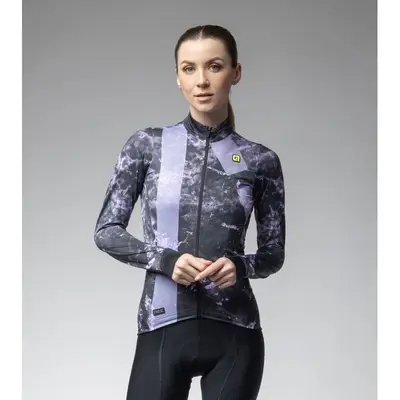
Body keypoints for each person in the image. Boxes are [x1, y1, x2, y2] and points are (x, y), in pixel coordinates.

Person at [94, 24, 286, 400]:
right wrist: (166, 260)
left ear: (236, 73)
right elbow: (106, 230)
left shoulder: (260, 161)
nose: (201, 81)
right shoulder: (147, 146)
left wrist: (240, 266)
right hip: (163, 325)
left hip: (235, 333)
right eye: (189, 68)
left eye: (214, 66)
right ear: (178, 78)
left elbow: (273, 254)